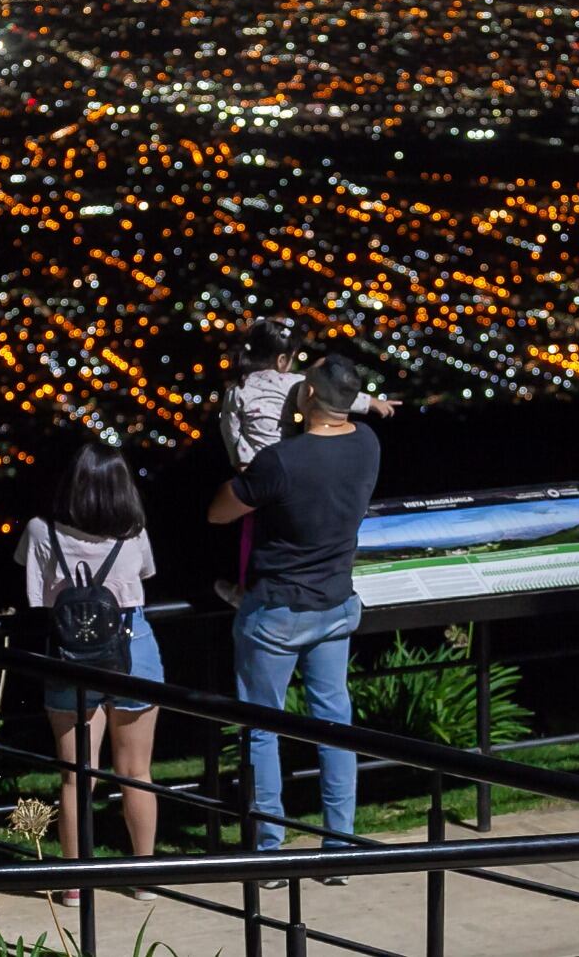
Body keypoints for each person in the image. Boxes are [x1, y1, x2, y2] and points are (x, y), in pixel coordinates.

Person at [207, 354, 381, 882]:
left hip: (277, 612)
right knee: (335, 727)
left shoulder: (281, 461)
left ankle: (270, 852)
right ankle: (339, 847)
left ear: (306, 396)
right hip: (333, 606)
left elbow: (219, 510)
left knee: (263, 730)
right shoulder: (368, 445)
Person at [16, 443, 164, 905]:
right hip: (132, 648)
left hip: (68, 655)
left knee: (77, 776)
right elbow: (146, 575)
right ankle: (144, 877)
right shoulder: (133, 531)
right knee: (136, 771)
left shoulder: (42, 531)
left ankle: (76, 883)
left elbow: (35, 593)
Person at [215, 318, 398, 604]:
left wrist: (240, 460)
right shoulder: (294, 383)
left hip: (255, 467)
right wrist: (374, 403)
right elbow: (335, 395)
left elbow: (230, 430)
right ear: (282, 359)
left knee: (251, 532)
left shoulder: (237, 390)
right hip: (290, 463)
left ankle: (243, 588)